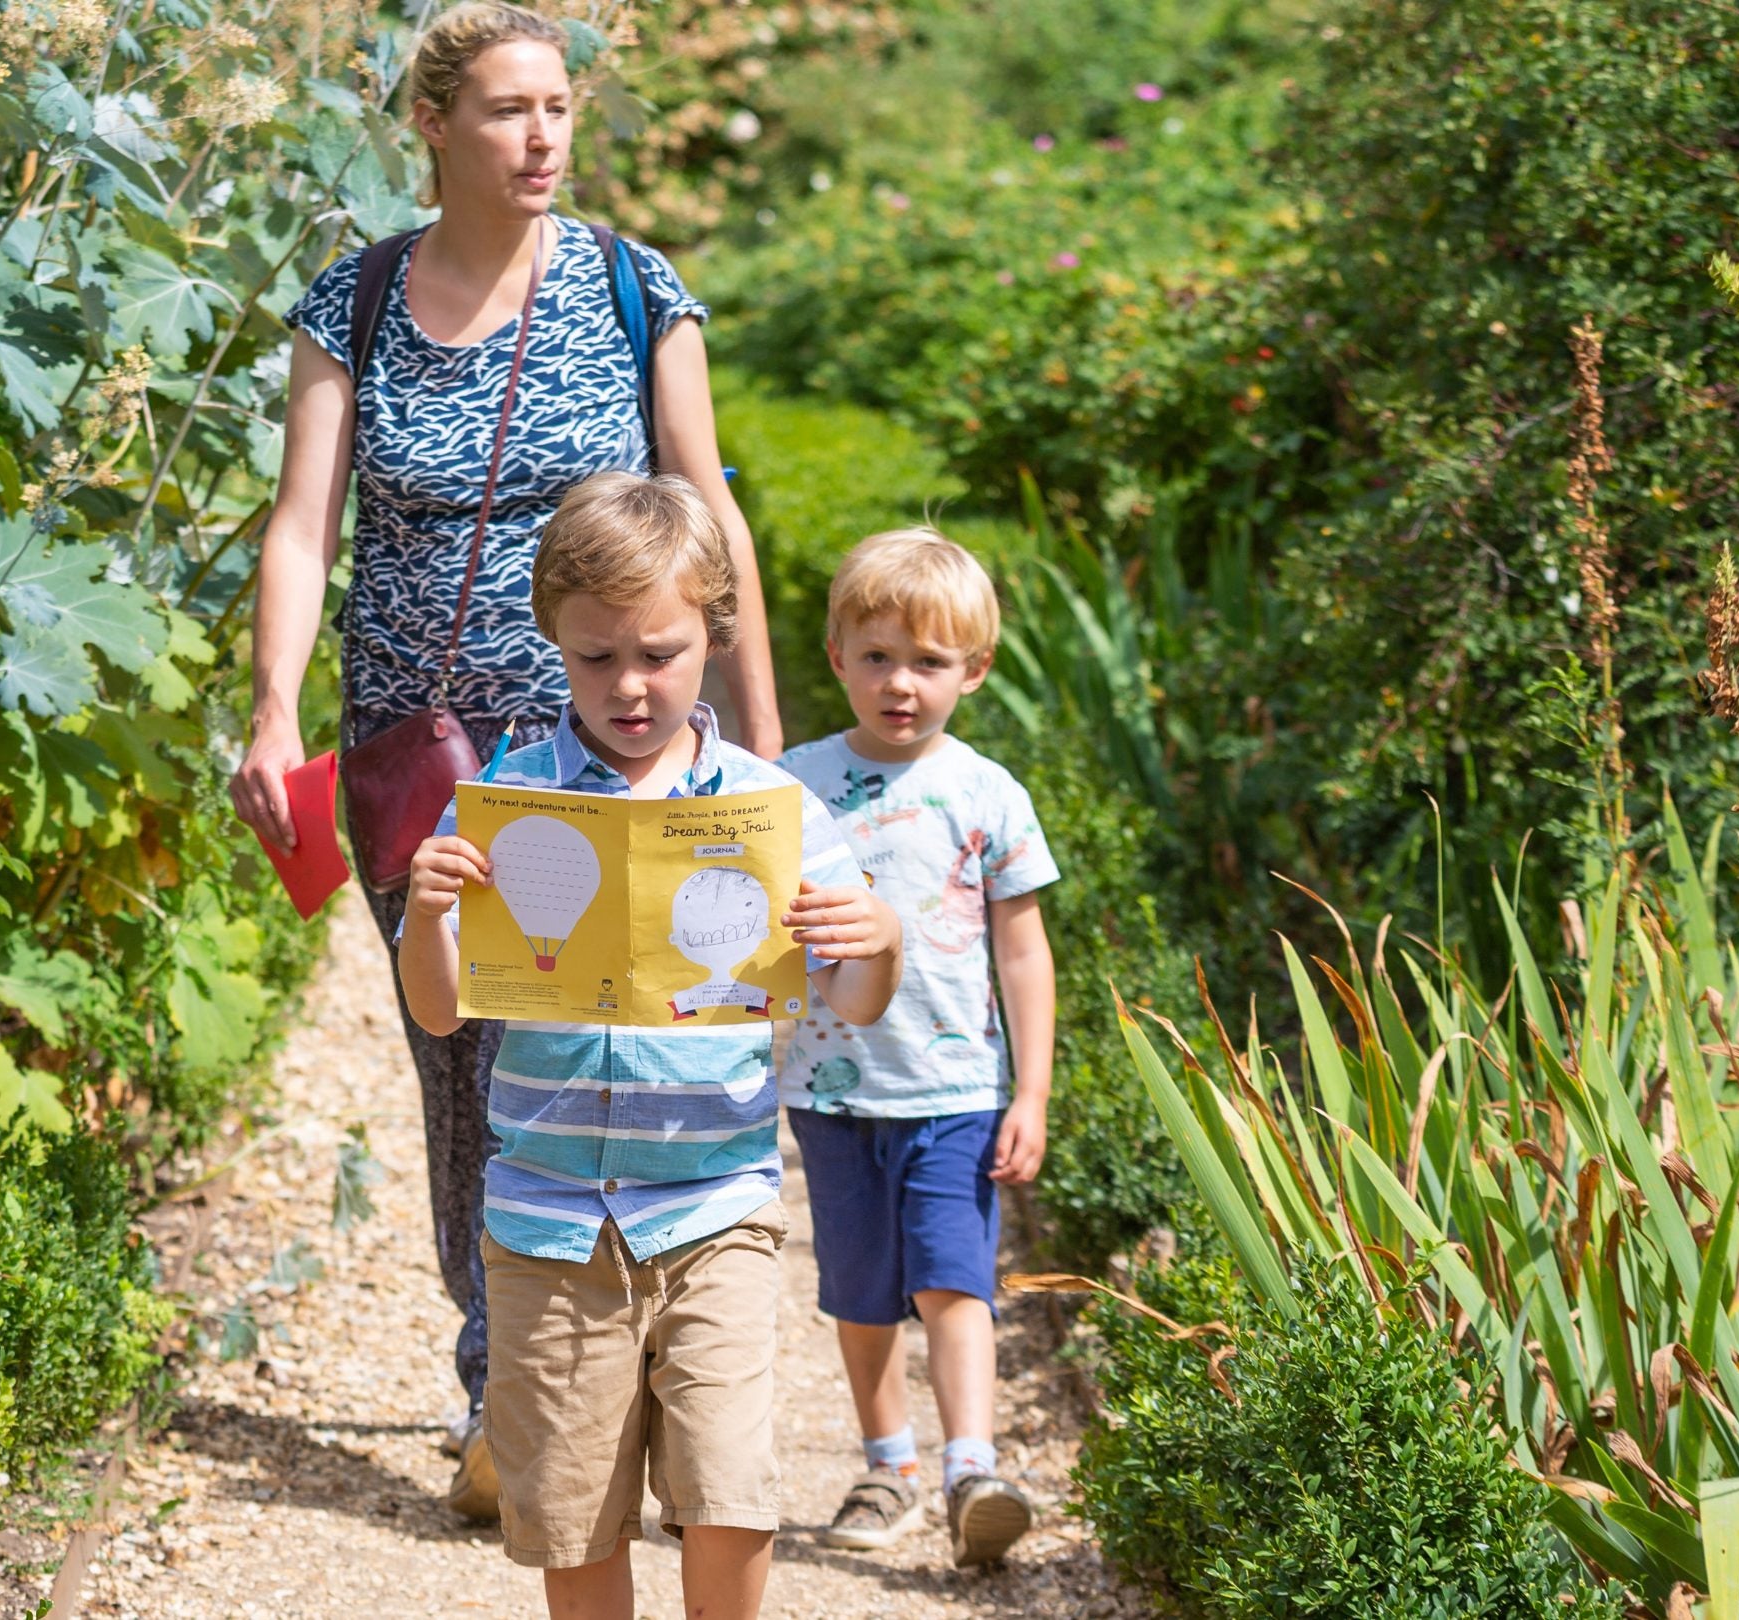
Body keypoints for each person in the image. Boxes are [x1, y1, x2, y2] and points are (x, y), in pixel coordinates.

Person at [228, 1, 784, 1516]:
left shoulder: (627, 283)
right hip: (416, 752)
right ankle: (506, 1393)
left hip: (621, 739)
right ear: (433, 125)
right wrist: (276, 711)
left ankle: (674, 1373)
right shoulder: (351, 304)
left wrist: (766, 729)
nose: (542, 136)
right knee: (465, 1049)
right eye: (506, 110)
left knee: (651, 1035)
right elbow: (302, 526)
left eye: (558, 108)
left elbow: (705, 505)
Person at [395, 473, 902, 1620]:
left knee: (728, 1494)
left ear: (714, 637)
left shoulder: (772, 810)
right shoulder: (504, 800)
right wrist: (428, 916)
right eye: (595, 658)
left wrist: (878, 939)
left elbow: (857, 1000)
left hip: (717, 1206)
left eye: (661, 654)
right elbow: (439, 1013)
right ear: (554, 643)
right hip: (548, 1224)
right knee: (575, 1513)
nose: (629, 686)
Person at [773, 528, 1059, 1568]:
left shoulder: (988, 794)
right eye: (880, 656)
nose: (902, 684)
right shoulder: (790, 786)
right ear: (838, 655)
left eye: (930, 663)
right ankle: (887, 1460)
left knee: (953, 1280)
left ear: (973, 672)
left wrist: (1030, 1092)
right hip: (832, 1087)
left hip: (954, 1086)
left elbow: (1023, 954)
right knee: (859, 1290)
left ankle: (968, 1467)